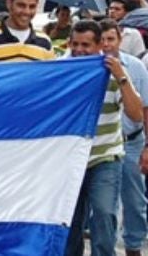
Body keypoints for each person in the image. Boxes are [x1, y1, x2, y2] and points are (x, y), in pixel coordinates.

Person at [65, 20, 143, 256]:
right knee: (70, 220)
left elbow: (136, 113)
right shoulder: (60, 69)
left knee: (104, 213)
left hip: (105, 157)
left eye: (86, 45)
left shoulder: (114, 71)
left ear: (99, 45)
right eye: (75, 44)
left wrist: (120, 76)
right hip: (69, 159)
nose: (79, 50)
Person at [98, 19, 148, 256]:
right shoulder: (92, 67)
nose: (107, 45)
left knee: (135, 202)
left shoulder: (136, 66)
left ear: (119, 40)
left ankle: (134, 246)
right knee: (105, 206)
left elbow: (144, 110)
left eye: (111, 39)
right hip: (105, 146)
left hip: (132, 141)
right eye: (102, 40)